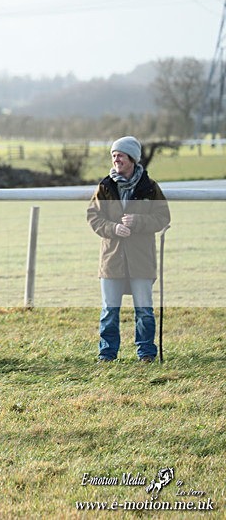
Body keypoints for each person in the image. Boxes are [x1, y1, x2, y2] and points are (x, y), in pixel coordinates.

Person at [87, 136, 171, 363]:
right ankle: (107, 354)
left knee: (144, 310)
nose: (116, 159)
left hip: (141, 260)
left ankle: (146, 354)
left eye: (120, 155)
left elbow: (163, 217)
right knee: (109, 311)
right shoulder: (105, 187)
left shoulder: (150, 188)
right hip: (111, 260)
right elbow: (94, 217)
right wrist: (113, 228)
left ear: (132, 158)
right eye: (113, 155)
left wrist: (139, 222)